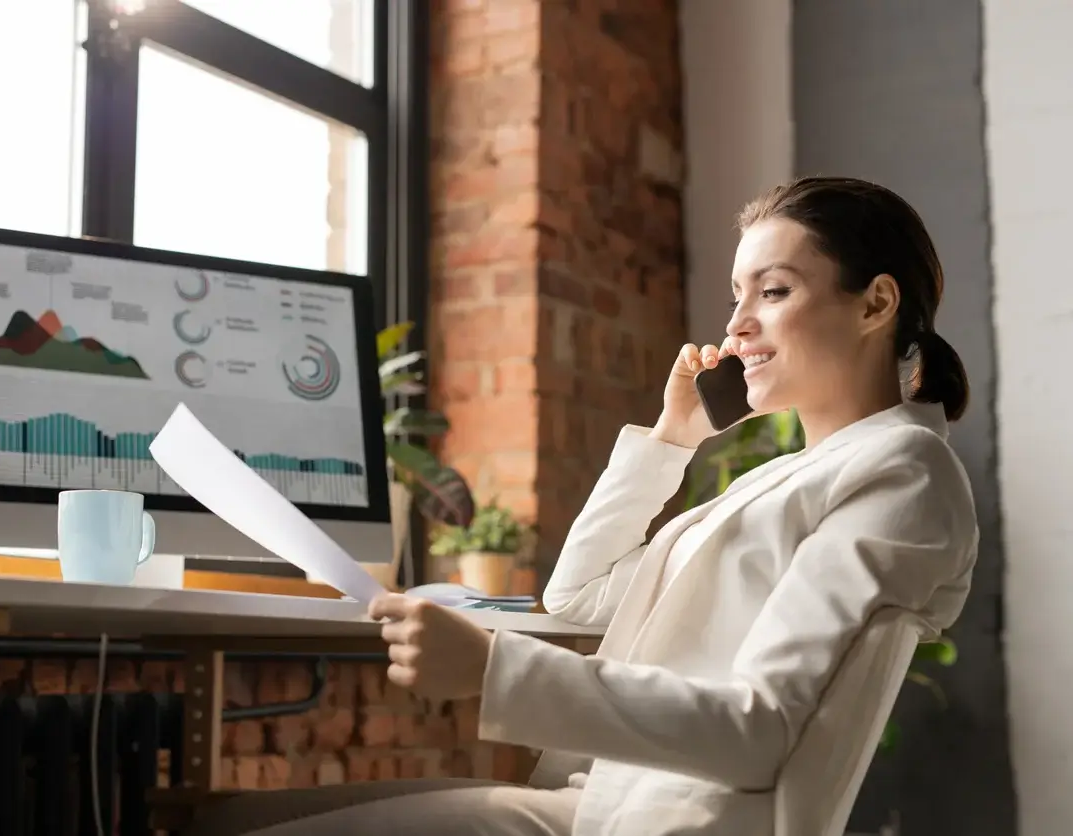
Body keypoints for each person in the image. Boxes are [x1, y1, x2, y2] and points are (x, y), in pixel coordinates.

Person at [187, 176, 978, 836]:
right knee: (220, 818)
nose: (737, 325)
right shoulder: (797, 474)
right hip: (607, 805)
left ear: (875, 304)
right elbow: (577, 596)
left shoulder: (900, 472)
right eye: (737, 295)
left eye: (773, 292)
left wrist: (493, 668)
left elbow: (761, 728)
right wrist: (670, 437)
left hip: (656, 822)